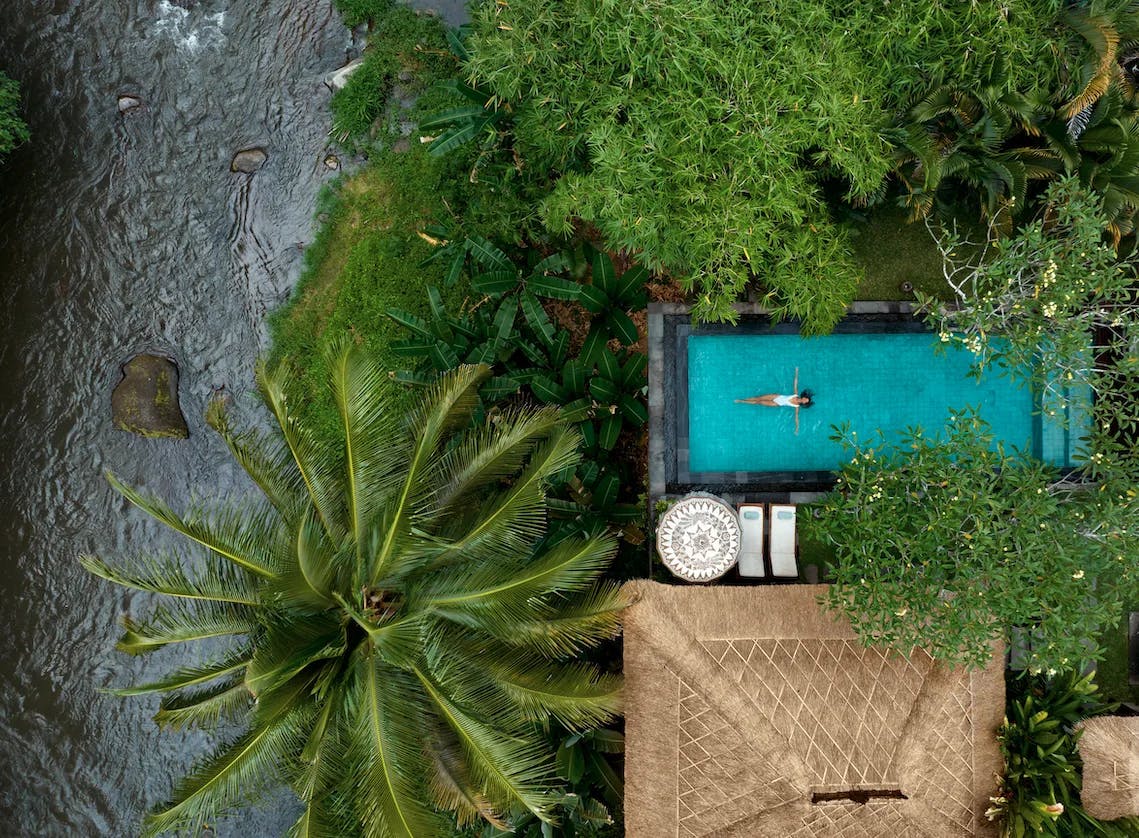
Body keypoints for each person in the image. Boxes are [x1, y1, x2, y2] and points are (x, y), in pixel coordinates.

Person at [735, 367, 813, 433]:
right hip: (776, 396)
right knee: (758, 398)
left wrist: (797, 428)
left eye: (806, 401)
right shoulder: (796, 394)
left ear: (804, 403)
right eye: (806, 399)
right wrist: (796, 371)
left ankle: (742, 401)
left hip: (776, 404)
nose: (805, 400)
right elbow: (795, 383)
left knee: (758, 402)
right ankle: (742, 399)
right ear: (804, 397)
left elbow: (796, 417)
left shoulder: (796, 407)